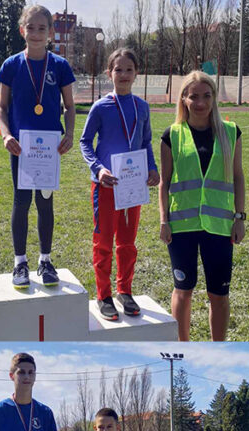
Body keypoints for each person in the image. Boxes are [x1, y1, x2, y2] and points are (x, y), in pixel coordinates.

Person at [159, 71, 246, 342]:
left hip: (219, 225)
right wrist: (163, 221)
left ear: (214, 98)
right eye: (193, 96)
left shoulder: (230, 132)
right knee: (183, 290)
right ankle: (183, 347)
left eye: (206, 96)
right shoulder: (172, 135)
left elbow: (238, 176)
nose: (200, 103)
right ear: (183, 99)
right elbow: (164, 182)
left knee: (219, 294)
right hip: (181, 225)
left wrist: (240, 217)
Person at [0, 4, 76, 289]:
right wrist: (6, 135)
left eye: (42, 28)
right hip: (21, 147)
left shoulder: (60, 66)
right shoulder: (11, 65)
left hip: (49, 149)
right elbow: (1, 107)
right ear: (22, 30)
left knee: (45, 202)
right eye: (31, 27)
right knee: (21, 202)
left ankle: (45, 260)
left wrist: (69, 133)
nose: (36, 33)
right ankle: (20, 262)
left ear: (51, 32)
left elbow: (69, 106)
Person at [79, 48, 160, 321]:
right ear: (109, 73)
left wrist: (152, 167)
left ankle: (124, 290)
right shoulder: (101, 107)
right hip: (106, 186)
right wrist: (98, 169)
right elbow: (84, 142)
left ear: (137, 73)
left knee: (127, 243)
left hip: (133, 185)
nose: (123, 74)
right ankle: (103, 294)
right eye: (118, 69)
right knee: (103, 243)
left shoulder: (142, 107)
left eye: (129, 69)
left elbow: (146, 142)